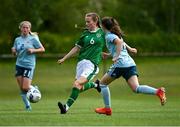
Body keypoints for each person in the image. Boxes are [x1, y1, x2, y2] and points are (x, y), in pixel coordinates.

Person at [95, 17, 167, 116]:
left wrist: (116, 56)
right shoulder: (116, 34)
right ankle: (158, 91)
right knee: (136, 88)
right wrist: (128, 49)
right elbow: (120, 43)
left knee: (102, 84)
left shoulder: (109, 36)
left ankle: (107, 109)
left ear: (103, 26)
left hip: (120, 65)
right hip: (130, 64)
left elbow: (119, 43)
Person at [57, 12, 105, 114]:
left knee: (77, 84)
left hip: (92, 65)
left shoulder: (102, 33)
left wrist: (120, 51)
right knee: (78, 87)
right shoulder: (85, 34)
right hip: (81, 63)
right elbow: (76, 48)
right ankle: (95, 85)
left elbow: (115, 40)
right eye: (85, 22)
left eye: (88, 22)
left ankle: (65, 108)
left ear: (95, 21)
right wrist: (64, 58)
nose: (86, 24)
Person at [11, 21, 45, 111]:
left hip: (29, 65)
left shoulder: (33, 39)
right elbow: (15, 53)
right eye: (23, 27)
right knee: (22, 88)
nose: (25, 29)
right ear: (20, 28)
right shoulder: (17, 39)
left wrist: (33, 50)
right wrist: (14, 51)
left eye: (27, 28)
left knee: (26, 87)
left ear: (29, 29)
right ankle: (28, 106)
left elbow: (42, 49)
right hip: (19, 64)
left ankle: (34, 89)